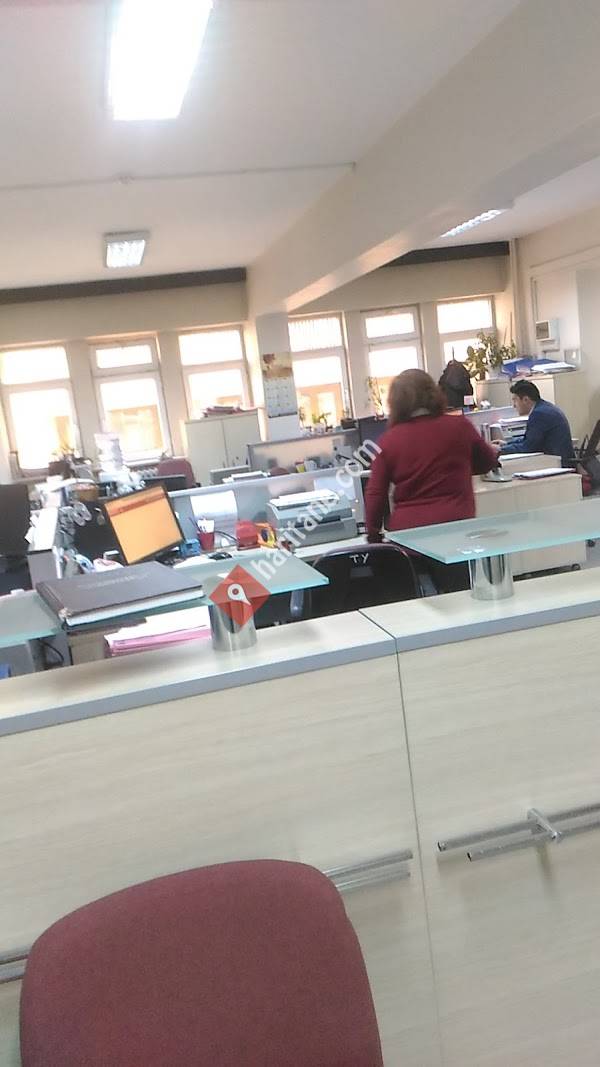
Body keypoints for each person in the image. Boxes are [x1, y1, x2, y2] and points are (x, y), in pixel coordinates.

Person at [365, 368, 498, 592]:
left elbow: (375, 493)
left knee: (418, 603)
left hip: (409, 539)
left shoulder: (388, 441)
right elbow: (486, 462)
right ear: (434, 393)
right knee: (461, 598)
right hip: (455, 530)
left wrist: (373, 535)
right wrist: (459, 466)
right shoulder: (459, 427)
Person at [500, 379, 573, 465]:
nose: (514, 405)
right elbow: (529, 439)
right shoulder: (545, 407)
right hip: (558, 460)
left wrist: (500, 450)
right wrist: (506, 444)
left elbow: (528, 447)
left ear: (526, 399)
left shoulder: (539, 414)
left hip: (557, 463)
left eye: (515, 400)